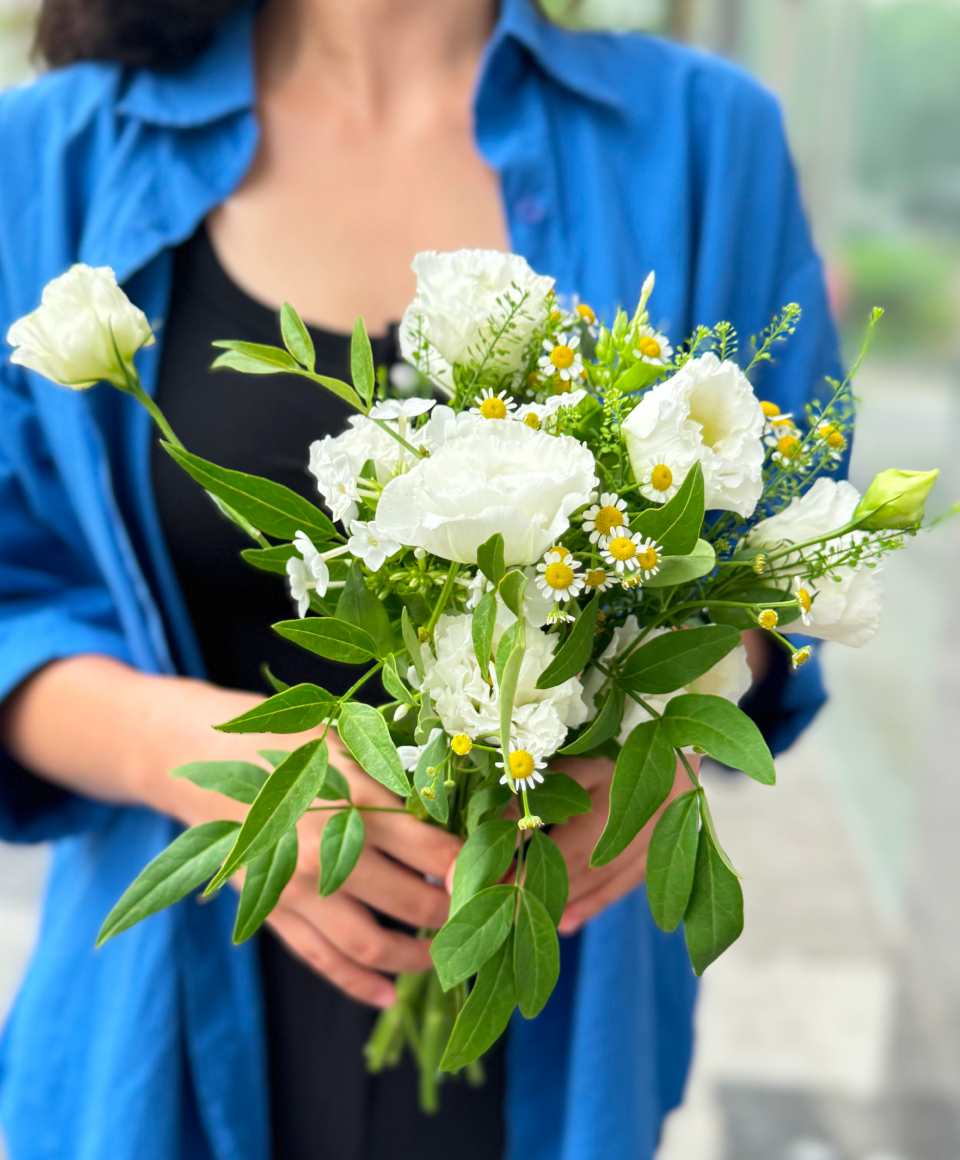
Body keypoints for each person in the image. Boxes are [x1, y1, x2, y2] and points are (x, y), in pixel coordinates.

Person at [0, 1, 840, 1158]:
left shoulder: (704, 135)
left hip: (556, 984)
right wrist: (194, 754)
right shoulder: (43, 155)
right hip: (161, 1026)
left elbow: (783, 552)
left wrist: (655, 731)